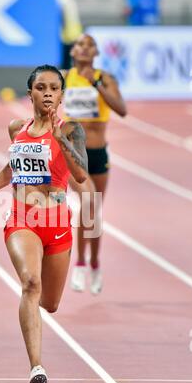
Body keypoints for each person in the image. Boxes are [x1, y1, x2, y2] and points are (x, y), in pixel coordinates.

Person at [0, 65, 88, 383]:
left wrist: (62, 141)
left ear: (61, 95)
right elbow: (9, 171)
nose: (47, 93)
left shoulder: (72, 129)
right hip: (22, 219)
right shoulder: (17, 129)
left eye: (53, 88)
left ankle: (35, 311)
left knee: (51, 303)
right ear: (29, 93)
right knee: (31, 283)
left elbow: (82, 175)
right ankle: (36, 366)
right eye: (40, 87)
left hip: (56, 223)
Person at [61, 34, 127, 295]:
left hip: (99, 154)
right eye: (80, 44)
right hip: (73, 152)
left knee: (94, 212)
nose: (84, 48)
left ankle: (95, 264)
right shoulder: (64, 77)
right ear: (73, 51)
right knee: (88, 201)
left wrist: (97, 83)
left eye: (89, 45)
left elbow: (121, 109)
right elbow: (46, 97)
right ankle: (78, 263)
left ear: (96, 52)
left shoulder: (105, 78)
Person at [56, 0, 83, 69]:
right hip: (66, 37)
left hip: (72, 35)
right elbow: (62, 17)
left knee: (70, 63)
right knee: (66, 63)